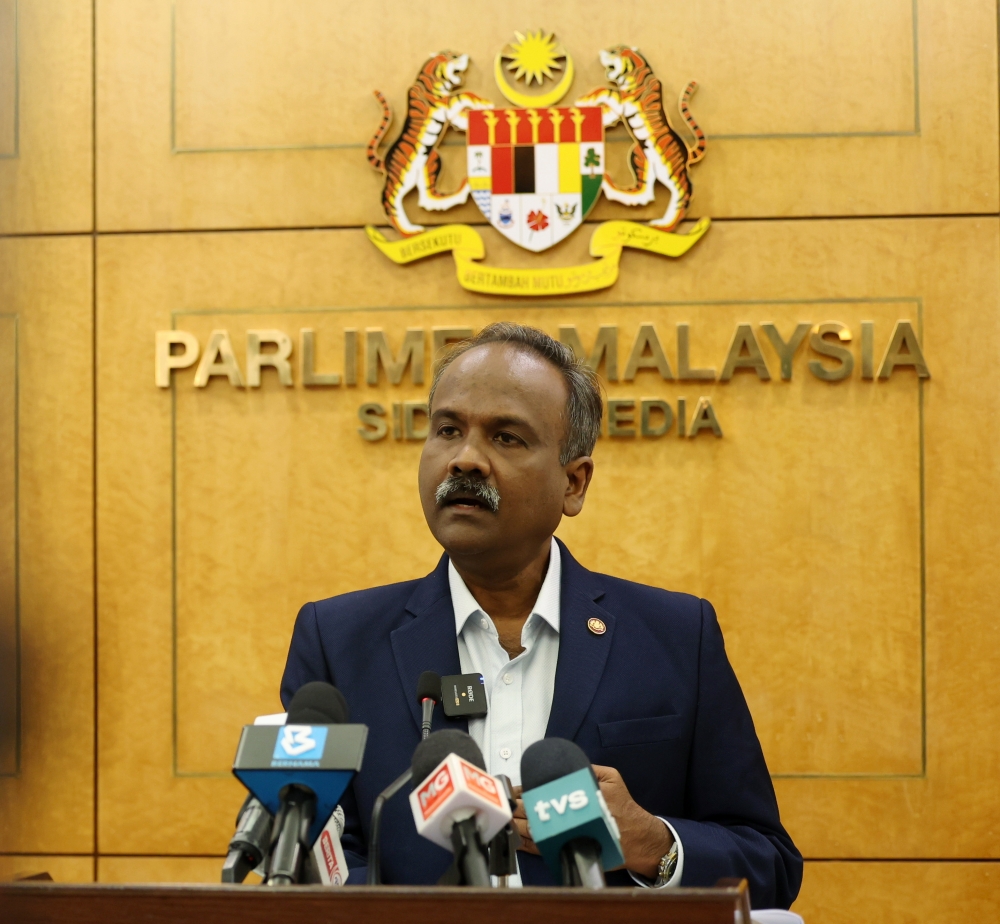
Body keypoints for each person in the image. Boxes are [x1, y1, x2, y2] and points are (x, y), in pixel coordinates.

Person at [280, 322, 802, 906]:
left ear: (573, 484)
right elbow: (308, 850)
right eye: (448, 430)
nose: (465, 460)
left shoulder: (677, 637)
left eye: (506, 438)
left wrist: (656, 844)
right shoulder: (338, 640)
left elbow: (769, 862)